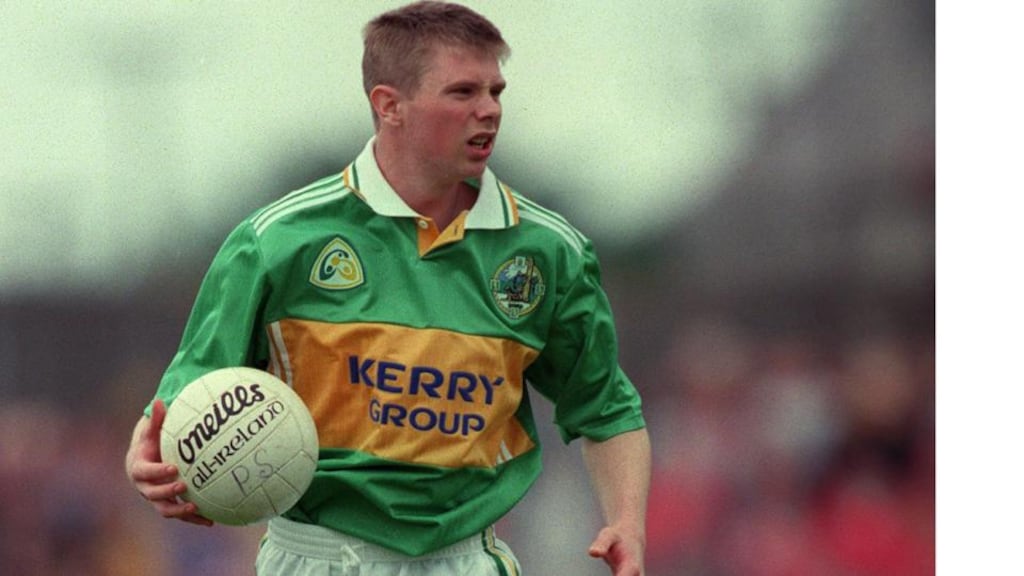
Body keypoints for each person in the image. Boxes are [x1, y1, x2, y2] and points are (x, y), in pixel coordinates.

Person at [125, 2, 650, 574]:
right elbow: (189, 390)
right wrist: (143, 454)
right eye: (462, 92)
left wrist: (627, 523)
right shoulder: (276, 241)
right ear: (389, 105)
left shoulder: (552, 252)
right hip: (315, 558)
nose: (489, 111)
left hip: (466, 559)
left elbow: (604, 409)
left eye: (496, 91)